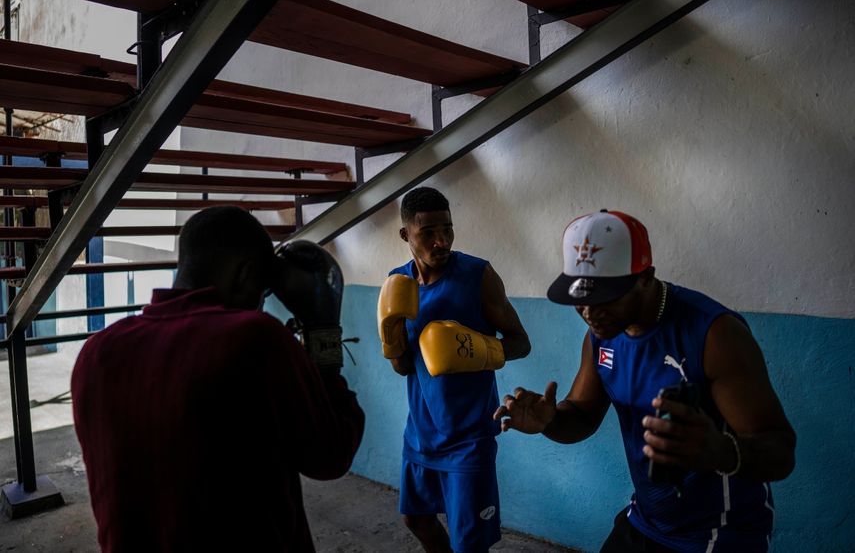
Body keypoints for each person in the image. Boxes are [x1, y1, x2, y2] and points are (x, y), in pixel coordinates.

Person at [494, 209, 796, 553]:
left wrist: (721, 452)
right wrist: (549, 421)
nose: (590, 313)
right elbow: (581, 414)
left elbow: (781, 451)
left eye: (605, 297)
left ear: (646, 277)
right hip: (647, 519)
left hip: (719, 532)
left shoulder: (714, 334)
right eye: (581, 299)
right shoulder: (601, 336)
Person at [71, 206, 365, 552]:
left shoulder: (96, 352)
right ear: (246, 273)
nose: (259, 303)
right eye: (262, 291)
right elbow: (331, 455)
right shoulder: (255, 339)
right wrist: (323, 332)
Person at [377, 187, 531, 553]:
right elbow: (403, 367)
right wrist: (392, 339)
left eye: (447, 228)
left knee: (470, 544)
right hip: (420, 434)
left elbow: (521, 342)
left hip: (469, 439)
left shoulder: (478, 275)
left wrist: (477, 349)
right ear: (405, 235)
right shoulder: (398, 284)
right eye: (428, 232)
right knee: (416, 519)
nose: (441, 241)